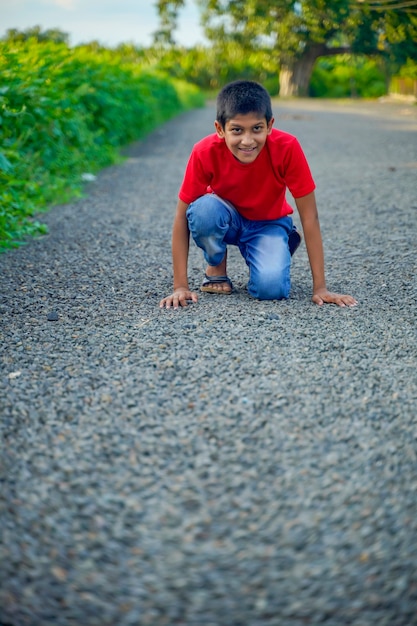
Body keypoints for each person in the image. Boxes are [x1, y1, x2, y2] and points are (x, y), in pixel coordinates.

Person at [159, 80, 357, 309]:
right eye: (236, 130)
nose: (247, 140)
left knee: (271, 289)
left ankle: (276, 245)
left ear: (269, 125)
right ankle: (216, 266)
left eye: (257, 128)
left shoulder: (287, 147)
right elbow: (181, 216)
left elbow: (310, 216)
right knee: (203, 210)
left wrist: (320, 288)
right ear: (220, 129)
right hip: (225, 219)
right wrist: (180, 286)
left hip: (268, 223)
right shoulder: (204, 151)